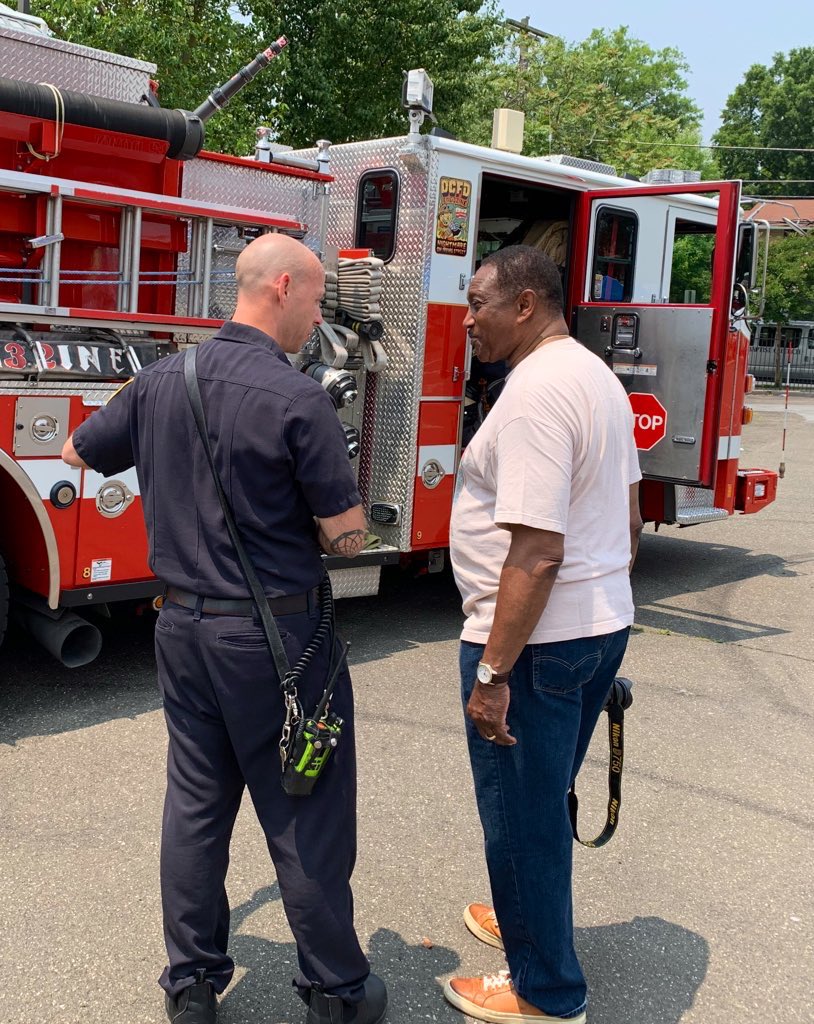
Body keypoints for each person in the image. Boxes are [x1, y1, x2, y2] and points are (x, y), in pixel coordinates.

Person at [61, 233, 388, 1024]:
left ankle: (193, 986)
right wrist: (342, 526)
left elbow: (75, 450)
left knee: (196, 806)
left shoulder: (161, 378)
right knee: (304, 806)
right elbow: (346, 535)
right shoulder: (299, 399)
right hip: (277, 641)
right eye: (316, 299)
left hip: (182, 628)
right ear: (283, 287)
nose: (317, 319)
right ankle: (337, 993)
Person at [446, 245, 643, 1024]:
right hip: (595, 628)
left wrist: (493, 674)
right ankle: (525, 918)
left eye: (478, 304)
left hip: (536, 646)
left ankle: (546, 991)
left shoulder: (533, 395)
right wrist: (599, 607)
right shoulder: (596, 376)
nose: (467, 321)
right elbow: (628, 520)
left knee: (521, 815)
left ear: (524, 305)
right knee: (542, 794)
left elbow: (537, 550)